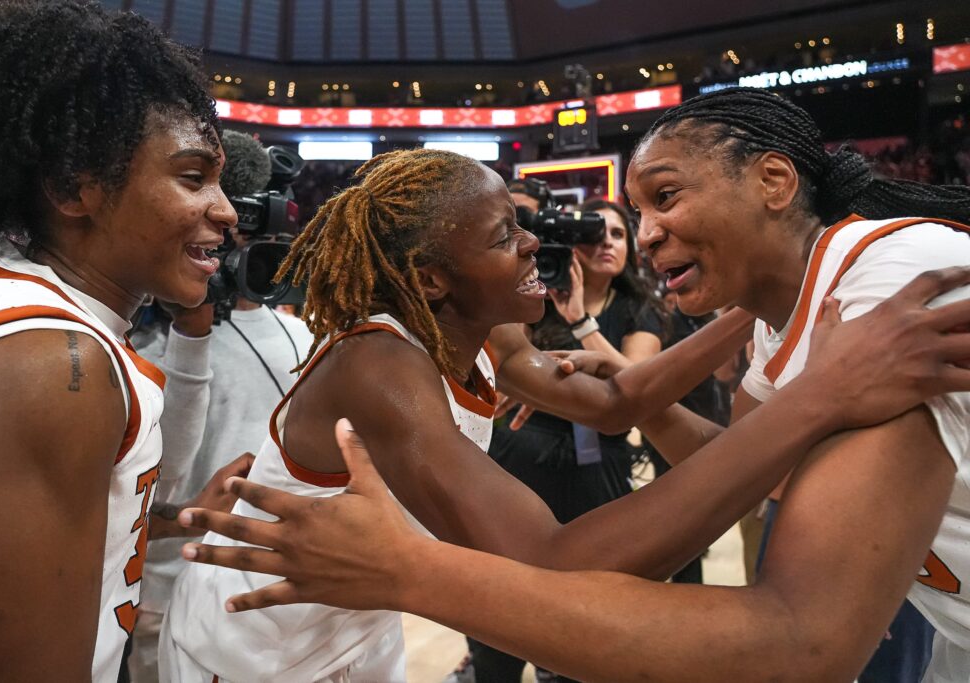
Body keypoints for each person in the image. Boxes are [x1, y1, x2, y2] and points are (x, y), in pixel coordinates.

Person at [177, 89, 970, 682]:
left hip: (352, 631)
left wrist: (760, 300)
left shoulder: (492, 345)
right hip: (259, 649)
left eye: (665, 197)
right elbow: (552, 557)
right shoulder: (378, 365)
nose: (536, 243)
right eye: (503, 235)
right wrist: (818, 393)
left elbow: (624, 403)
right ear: (433, 279)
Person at [0, 2, 251, 680]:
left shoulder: (51, 327)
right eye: (193, 177)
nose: (227, 211)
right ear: (74, 187)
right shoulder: (51, 362)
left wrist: (171, 517)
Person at [125, 131, 314, 682]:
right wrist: (191, 333)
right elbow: (157, 487)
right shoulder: (143, 346)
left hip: (279, 591)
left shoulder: (298, 331)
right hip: (172, 587)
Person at [464, 198, 665, 683]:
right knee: (499, 618)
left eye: (618, 234)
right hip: (517, 458)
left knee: (587, 621)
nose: (607, 244)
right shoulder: (531, 295)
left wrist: (581, 325)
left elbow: (637, 387)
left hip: (599, 471)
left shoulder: (640, 309)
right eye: (596, 235)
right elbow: (500, 362)